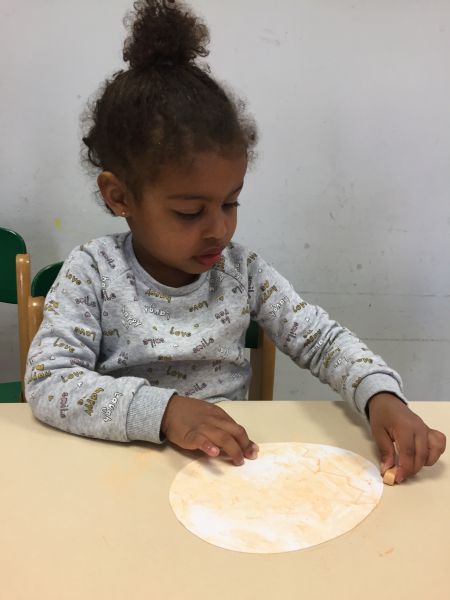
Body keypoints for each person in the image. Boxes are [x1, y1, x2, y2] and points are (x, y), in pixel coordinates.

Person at [25, 0, 445, 482]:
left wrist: (381, 396)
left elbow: (323, 340)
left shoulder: (241, 273)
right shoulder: (93, 272)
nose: (220, 229)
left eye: (231, 203)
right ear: (120, 196)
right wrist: (164, 412)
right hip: (117, 476)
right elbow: (49, 382)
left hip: (224, 478)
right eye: (190, 212)